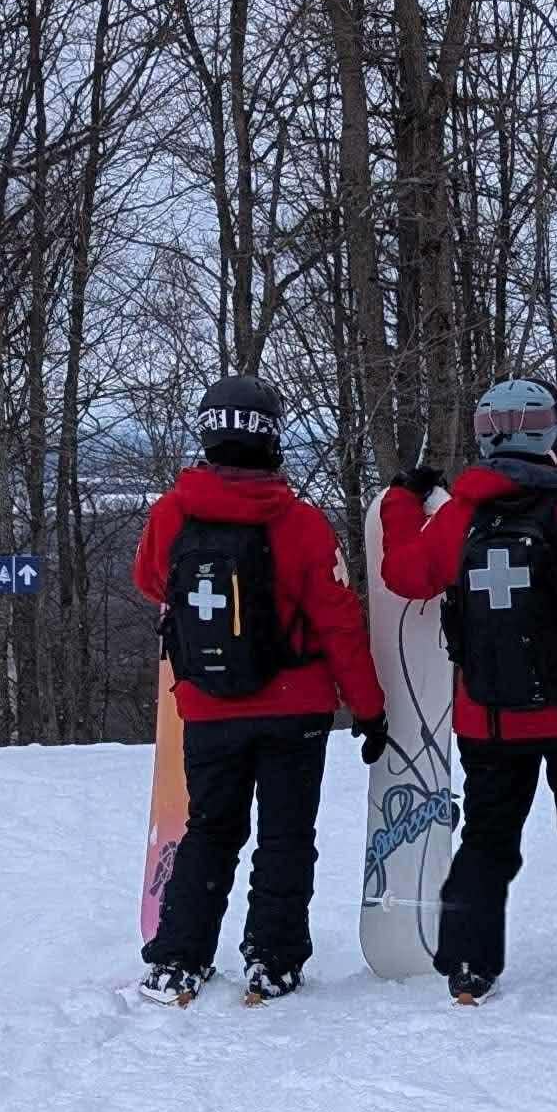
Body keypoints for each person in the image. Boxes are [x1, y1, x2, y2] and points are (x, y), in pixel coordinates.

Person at [379, 378, 557, 1006]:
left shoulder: (456, 521)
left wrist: (401, 501)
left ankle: (468, 967)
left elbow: (403, 574)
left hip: (490, 718)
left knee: (486, 837)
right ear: (551, 436)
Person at [134, 374, 388, 1006]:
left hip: (207, 704)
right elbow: (340, 624)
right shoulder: (302, 524)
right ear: (272, 439)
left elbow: (150, 581)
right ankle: (273, 961)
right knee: (285, 836)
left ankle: (177, 959)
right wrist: (369, 708)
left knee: (209, 829)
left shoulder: (171, 514)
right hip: (294, 711)